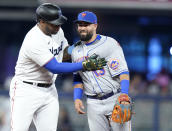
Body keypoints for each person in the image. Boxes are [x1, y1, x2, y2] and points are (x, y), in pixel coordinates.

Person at [9, 3, 106, 131]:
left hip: (49, 89)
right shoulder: (33, 40)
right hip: (26, 90)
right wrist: (84, 65)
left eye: (59, 22)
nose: (58, 25)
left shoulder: (57, 31)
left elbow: (65, 53)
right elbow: (55, 67)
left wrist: (82, 52)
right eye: (54, 23)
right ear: (41, 21)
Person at [71, 11, 132, 131]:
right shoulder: (75, 51)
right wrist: (77, 98)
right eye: (80, 25)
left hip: (114, 98)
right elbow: (78, 77)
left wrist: (124, 94)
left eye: (86, 24)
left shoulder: (109, 44)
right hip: (93, 103)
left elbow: (123, 72)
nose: (82, 28)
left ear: (95, 26)